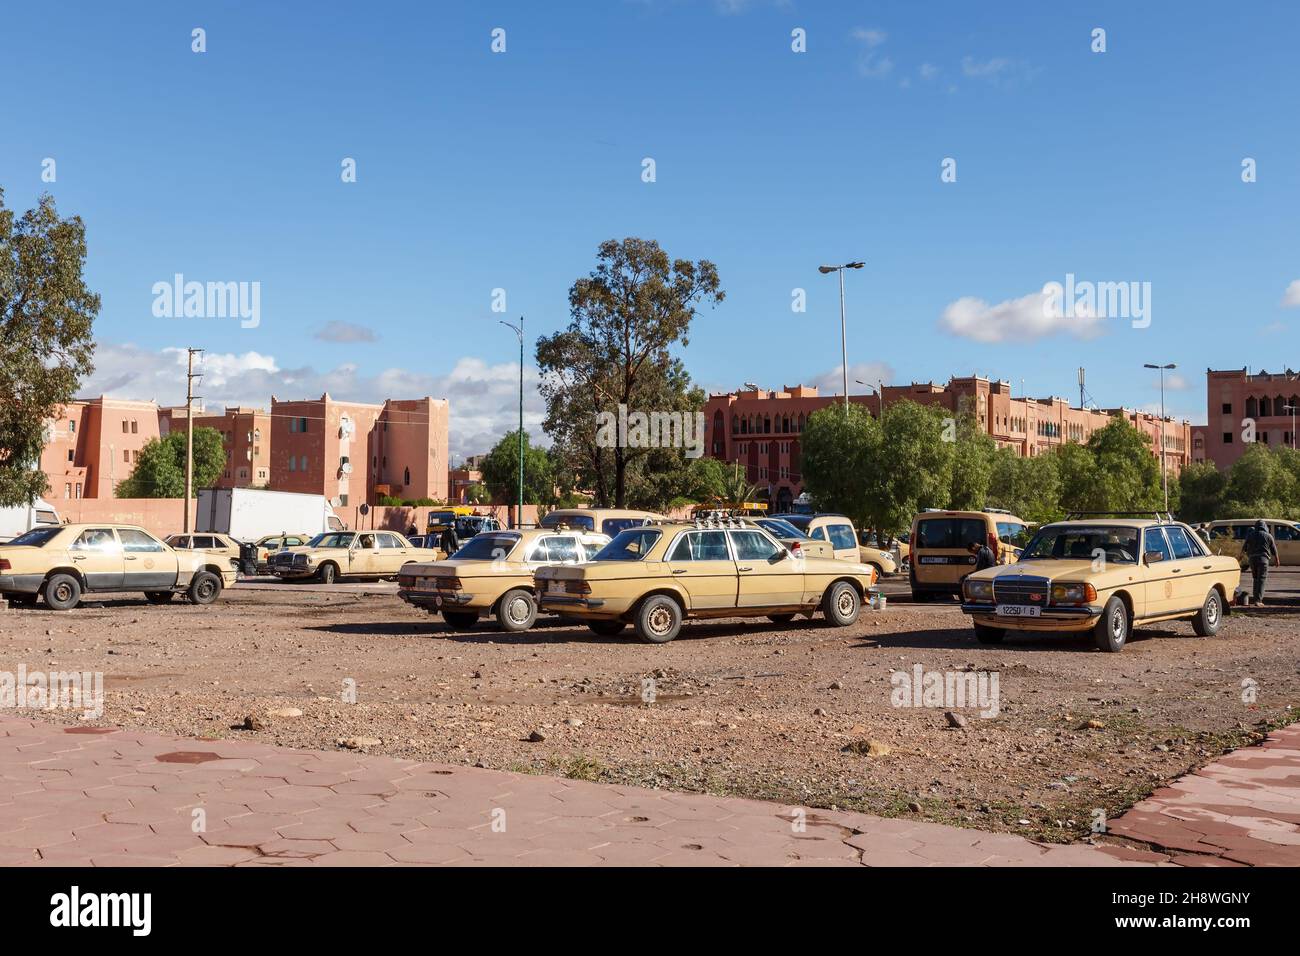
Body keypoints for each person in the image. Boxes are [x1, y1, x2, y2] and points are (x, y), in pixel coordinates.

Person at [1243, 519, 1279, 605]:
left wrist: (1239, 558)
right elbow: (1274, 549)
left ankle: (1256, 598)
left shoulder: (1250, 535)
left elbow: (1244, 548)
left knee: (1255, 579)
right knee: (1261, 580)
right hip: (1263, 560)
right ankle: (1258, 600)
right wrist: (1277, 560)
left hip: (1252, 560)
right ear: (1265, 526)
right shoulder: (1268, 536)